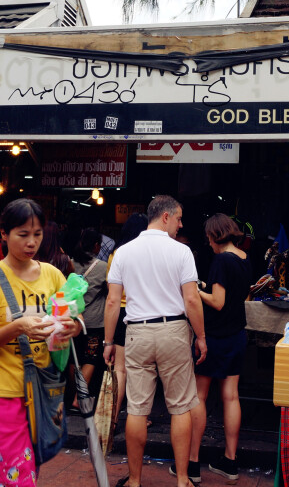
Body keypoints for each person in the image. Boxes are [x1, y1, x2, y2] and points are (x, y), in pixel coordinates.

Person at [0, 198, 81, 487]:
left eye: (38, 234)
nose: (32, 243)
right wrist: (17, 327)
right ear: (3, 234)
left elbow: (74, 321)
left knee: (28, 469)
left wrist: (72, 327)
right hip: (2, 391)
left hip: (44, 391)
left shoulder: (53, 274)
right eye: (23, 234)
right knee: (15, 477)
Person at [104, 196, 207, 487]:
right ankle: (183, 479)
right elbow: (191, 299)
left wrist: (108, 341)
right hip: (174, 331)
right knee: (180, 406)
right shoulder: (181, 251)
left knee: (137, 409)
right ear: (165, 217)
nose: (181, 224)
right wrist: (200, 336)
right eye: (179, 218)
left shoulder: (124, 252)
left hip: (137, 332)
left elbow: (113, 302)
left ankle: (135, 481)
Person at [182, 213, 250, 484]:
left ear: (216, 235)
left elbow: (218, 301)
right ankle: (230, 462)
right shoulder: (245, 258)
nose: (208, 242)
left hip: (216, 337)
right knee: (231, 396)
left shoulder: (221, 260)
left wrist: (195, 290)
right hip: (237, 335)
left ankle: (193, 463)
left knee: (200, 395)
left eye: (209, 237)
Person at [107, 212, 149, 423]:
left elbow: (111, 293)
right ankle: (141, 418)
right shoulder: (149, 254)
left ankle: (112, 419)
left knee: (120, 369)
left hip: (122, 312)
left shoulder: (116, 255)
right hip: (143, 313)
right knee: (143, 370)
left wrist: (108, 340)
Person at [70, 227, 107, 403]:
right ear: (96, 246)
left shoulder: (69, 263)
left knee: (73, 358)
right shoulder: (102, 267)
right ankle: (80, 397)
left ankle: (73, 393)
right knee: (90, 358)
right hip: (94, 323)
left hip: (74, 320)